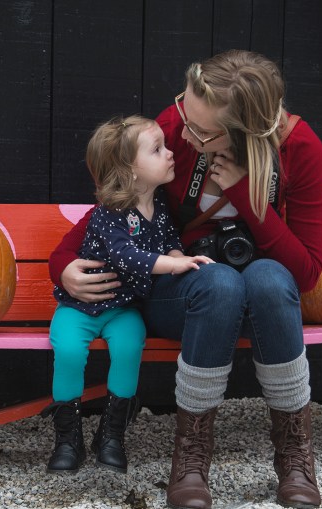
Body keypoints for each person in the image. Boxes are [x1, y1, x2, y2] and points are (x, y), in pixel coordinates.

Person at [49, 50, 322, 508]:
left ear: (243, 132)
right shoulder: (177, 126)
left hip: (266, 304)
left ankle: (295, 454)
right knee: (220, 283)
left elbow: (307, 273)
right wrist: (62, 264)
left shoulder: (300, 148)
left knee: (268, 279)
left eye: (200, 131)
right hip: (184, 295)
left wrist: (246, 196)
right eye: (184, 113)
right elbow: (114, 208)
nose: (182, 132)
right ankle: (192, 456)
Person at [42, 115, 214, 476]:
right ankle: (67, 439)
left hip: (123, 308)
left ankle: (112, 434)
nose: (170, 154)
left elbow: (168, 238)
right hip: (79, 307)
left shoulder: (159, 205)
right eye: (157, 150)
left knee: (129, 348)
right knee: (69, 351)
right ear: (130, 171)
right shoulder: (111, 211)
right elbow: (125, 256)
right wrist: (173, 265)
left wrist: (179, 255)